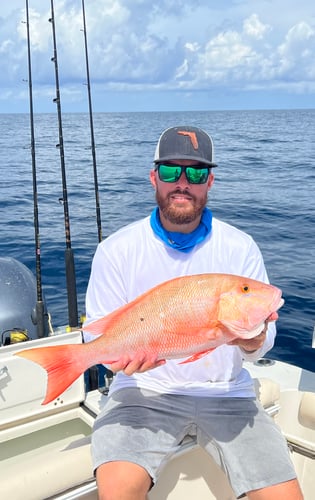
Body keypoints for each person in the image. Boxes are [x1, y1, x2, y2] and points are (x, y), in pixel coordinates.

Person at [84, 126, 302, 500]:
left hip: (227, 395)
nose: (182, 182)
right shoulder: (116, 249)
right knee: (118, 494)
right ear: (154, 176)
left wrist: (255, 338)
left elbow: (263, 343)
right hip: (142, 391)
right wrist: (118, 363)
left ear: (210, 181)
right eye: (171, 171)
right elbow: (95, 337)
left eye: (196, 173)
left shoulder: (240, 247)